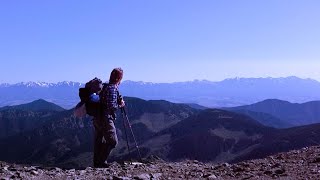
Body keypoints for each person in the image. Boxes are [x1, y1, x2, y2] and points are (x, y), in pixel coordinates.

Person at [93, 68, 125, 168]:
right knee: (112, 141)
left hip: (97, 117)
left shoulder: (105, 86)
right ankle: (101, 162)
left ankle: (97, 163)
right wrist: (121, 104)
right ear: (118, 78)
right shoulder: (112, 88)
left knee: (99, 139)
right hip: (106, 118)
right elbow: (111, 106)